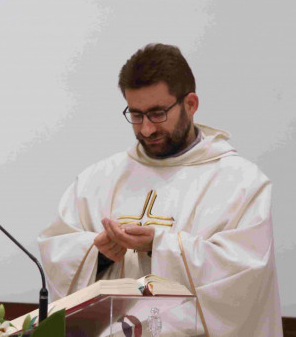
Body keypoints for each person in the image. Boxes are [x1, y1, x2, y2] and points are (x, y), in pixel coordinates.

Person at [37, 43, 282, 336]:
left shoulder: (241, 182)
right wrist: (98, 254)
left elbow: (245, 274)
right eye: (136, 115)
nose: (146, 129)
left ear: (190, 104)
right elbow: (57, 250)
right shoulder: (97, 179)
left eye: (157, 114)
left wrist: (160, 246)